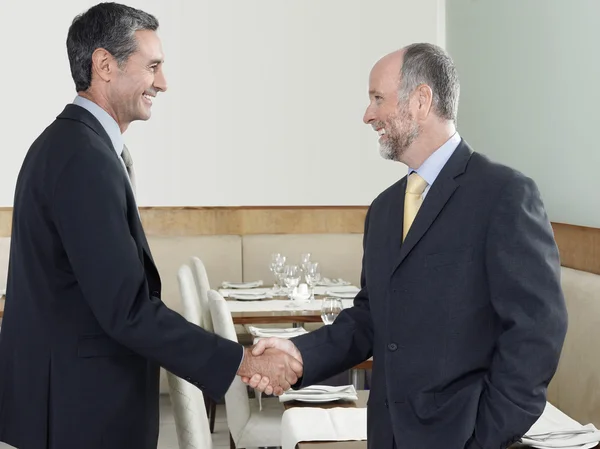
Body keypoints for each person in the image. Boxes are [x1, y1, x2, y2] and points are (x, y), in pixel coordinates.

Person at [0, 3, 301, 449]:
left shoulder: (74, 145)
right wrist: (239, 361)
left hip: (73, 404)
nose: (163, 82)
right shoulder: (83, 157)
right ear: (105, 65)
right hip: (80, 413)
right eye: (153, 66)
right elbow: (128, 310)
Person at [247, 43, 568, 449]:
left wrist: (486, 434)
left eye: (377, 99)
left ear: (421, 100)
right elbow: (369, 318)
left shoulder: (504, 194)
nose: (368, 115)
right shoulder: (384, 209)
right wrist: (298, 352)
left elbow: (536, 332)